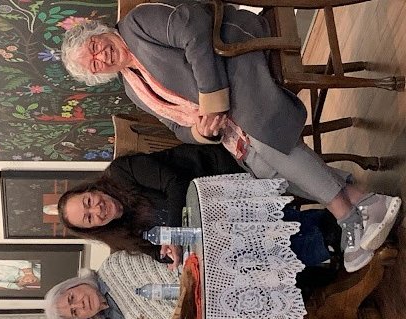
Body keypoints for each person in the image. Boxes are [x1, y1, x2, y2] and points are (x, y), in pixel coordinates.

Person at [60, 0, 401, 271]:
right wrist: (200, 130)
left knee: (260, 138)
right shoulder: (134, 89)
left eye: (95, 46)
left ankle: (345, 213)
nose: (100, 57)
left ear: (99, 32)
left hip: (234, 54)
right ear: (98, 75)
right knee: (258, 167)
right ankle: (363, 200)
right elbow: (175, 129)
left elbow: (191, 21)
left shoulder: (136, 25)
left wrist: (212, 98)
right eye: (94, 65)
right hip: (225, 113)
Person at [59, 143, 340, 271]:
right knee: (235, 260)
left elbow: (176, 183)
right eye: (89, 219)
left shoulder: (121, 172)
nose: (97, 210)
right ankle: (323, 239)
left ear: (91, 189)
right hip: (211, 226)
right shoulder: (120, 238)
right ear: (95, 228)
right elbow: (159, 255)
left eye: (88, 202)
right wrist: (170, 256)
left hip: (217, 174)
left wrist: (172, 235)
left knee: (240, 234)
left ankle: (328, 232)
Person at [44, 251, 180, 319]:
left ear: (74, 284)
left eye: (72, 298)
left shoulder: (115, 266)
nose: (81, 305)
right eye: (74, 312)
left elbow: (176, 277)